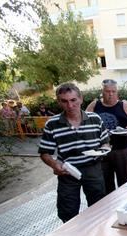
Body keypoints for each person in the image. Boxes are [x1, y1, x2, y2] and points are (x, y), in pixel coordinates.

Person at [38, 83, 110, 223]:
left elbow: (105, 142)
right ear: (59, 102)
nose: (70, 105)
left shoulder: (95, 119)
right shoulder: (52, 124)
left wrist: (104, 150)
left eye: (73, 100)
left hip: (93, 168)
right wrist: (54, 165)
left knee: (98, 207)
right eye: (64, 101)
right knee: (67, 211)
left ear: (81, 99)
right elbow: (44, 152)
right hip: (68, 172)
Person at [86, 79, 127, 194]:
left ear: (117, 91)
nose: (110, 94)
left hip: (121, 149)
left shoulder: (123, 105)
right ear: (102, 91)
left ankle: (124, 202)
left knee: (124, 179)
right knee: (105, 181)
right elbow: (84, 124)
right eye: (107, 91)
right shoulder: (95, 105)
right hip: (102, 150)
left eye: (113, 91)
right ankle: (109, 206)